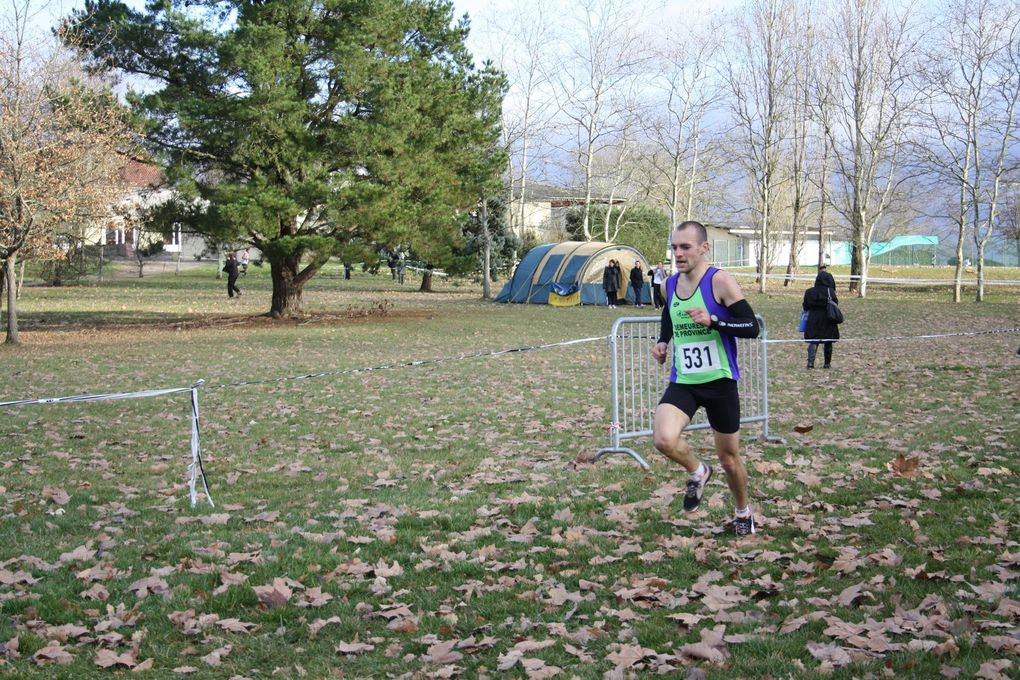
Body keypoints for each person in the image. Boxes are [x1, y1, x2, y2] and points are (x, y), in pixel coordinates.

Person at [651, 221, 761, 536]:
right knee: (663, 438)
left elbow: (751, 326)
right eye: (674, 247)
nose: (678, 254)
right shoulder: (668, 285)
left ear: (704, 247)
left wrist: (714, 321)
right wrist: (663, 341)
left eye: (685, 247)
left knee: (729, 459)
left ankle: (742, 511)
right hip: (684, 380)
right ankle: (698, 471)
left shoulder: (720, 282)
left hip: (720, 382)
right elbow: (669, 315)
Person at [802, 264, 840, 368]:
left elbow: (805, 306)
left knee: (814, 340)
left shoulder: (809, 292)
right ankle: (827, 364)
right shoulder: (830, 292)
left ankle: (810, 363)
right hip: (828, 318)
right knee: (828, 341)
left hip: (813, 319)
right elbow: (835, 303)